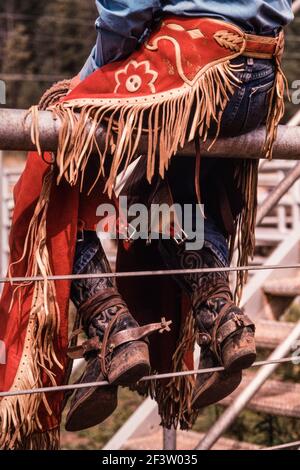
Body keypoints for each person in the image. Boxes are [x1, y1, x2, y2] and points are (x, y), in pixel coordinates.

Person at [0, 0, 293, 449]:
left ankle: (110, 327)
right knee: (159, 194)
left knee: (48, 165)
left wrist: (86, 78)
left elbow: (126, 14)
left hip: (195, 65)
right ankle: (222, 318)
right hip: (262, 79)